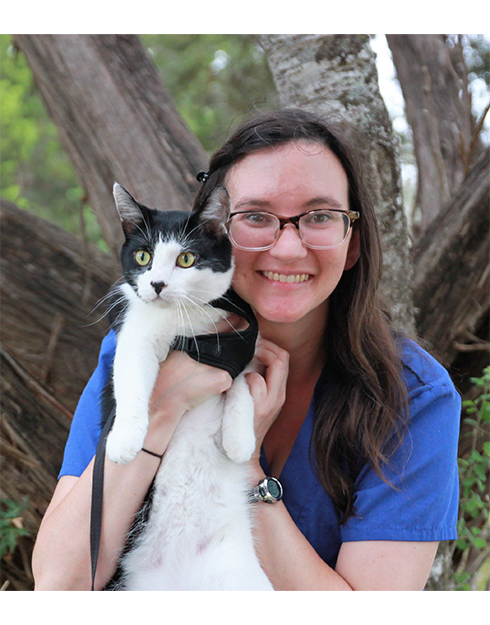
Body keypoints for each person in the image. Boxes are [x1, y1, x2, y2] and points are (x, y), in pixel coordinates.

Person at [32, 109, 461, 591]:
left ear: (352, 243)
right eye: (257, 217)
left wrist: (248, 467)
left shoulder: (413, 394)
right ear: (215, 230)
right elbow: (59, 585)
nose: (288, 248)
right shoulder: (137, 351)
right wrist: (163, 407)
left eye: (319, 217)